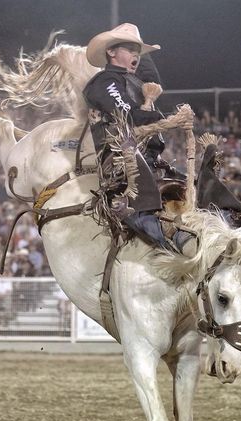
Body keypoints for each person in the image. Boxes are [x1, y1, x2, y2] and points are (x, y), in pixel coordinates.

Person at [82, 23, 198, 256]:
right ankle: (175, 241)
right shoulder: (104, 82)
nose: (136, 54)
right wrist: (154, 108)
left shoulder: (133, 83)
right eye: (129, 48)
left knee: (195, 187)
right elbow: (131, 118)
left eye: (137, 50)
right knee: (139, 200)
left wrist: (151, 106)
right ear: (111, 52)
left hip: (147, 159)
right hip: (119, 161)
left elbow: (141, 121)